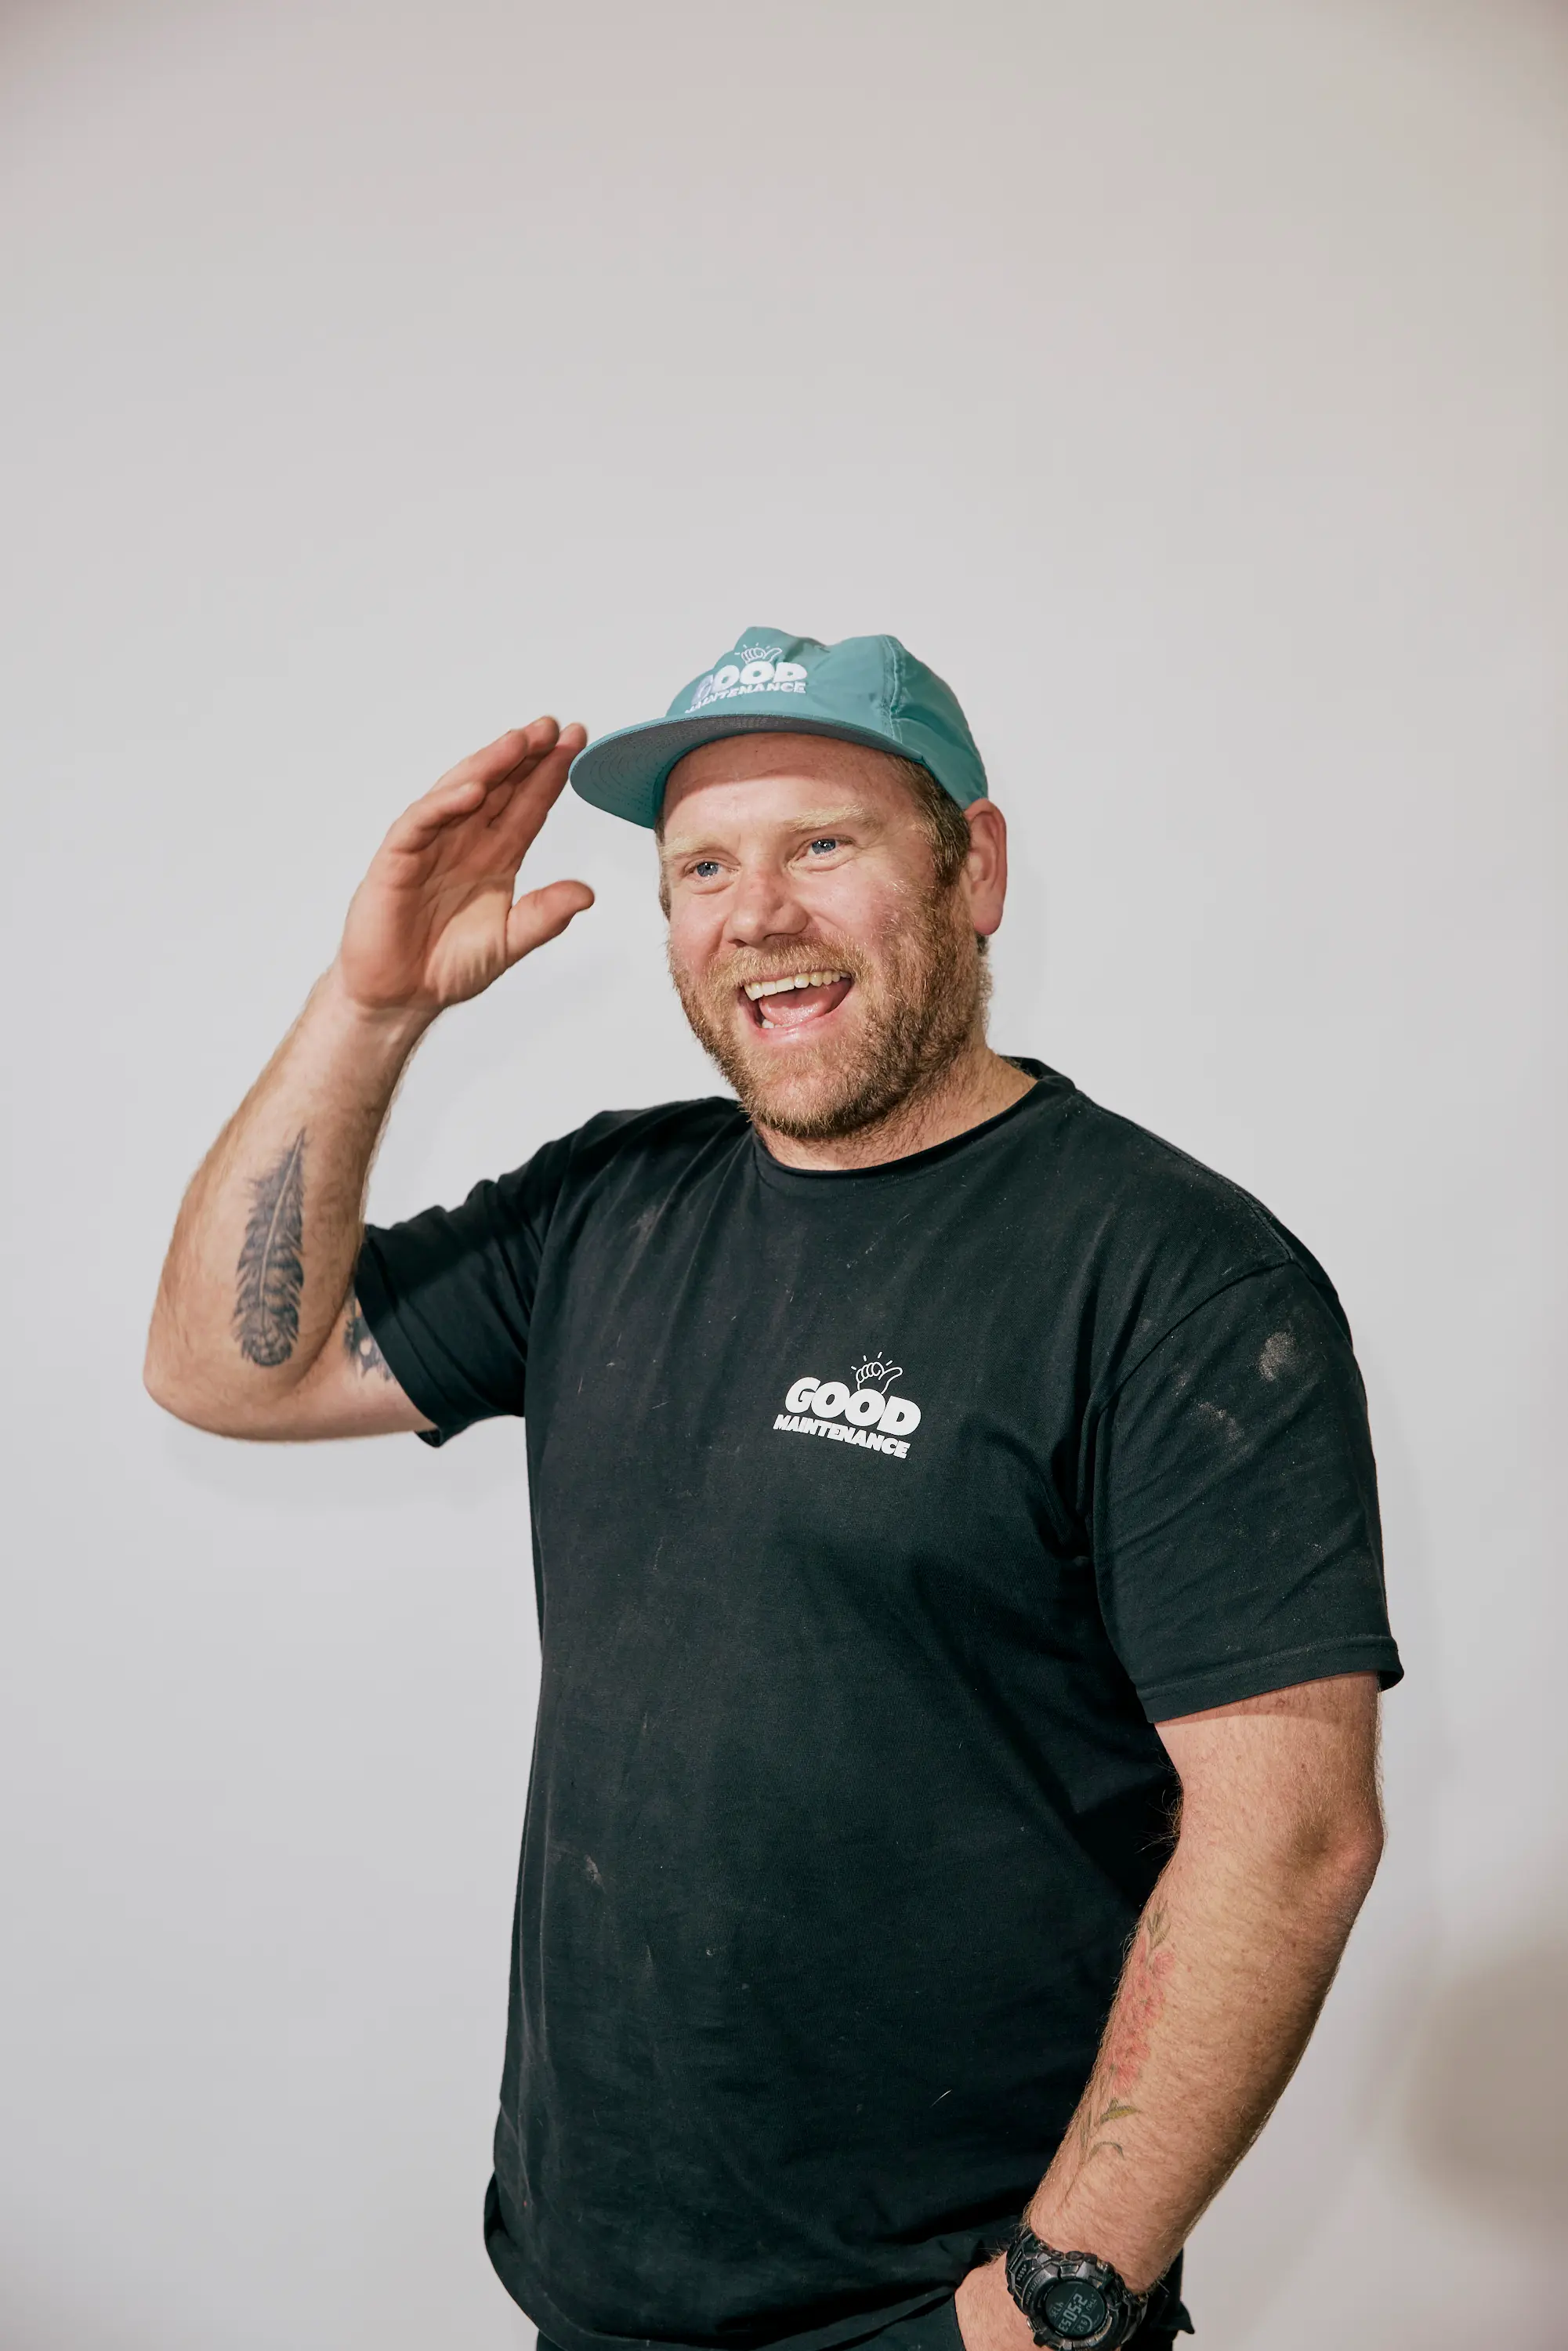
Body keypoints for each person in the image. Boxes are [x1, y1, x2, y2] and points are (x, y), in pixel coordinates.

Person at [146, 629, 1400, 2351]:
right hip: (593, 2293)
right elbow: (231, 1365)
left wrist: (1055, 2299)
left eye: (824, 845)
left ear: (977, 871)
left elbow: (1292, 1834)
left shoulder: (1173, 1277)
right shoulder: (608, 1212)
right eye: (701, 868)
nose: (757, 913)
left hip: (942, 2314)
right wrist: (372, 1010)